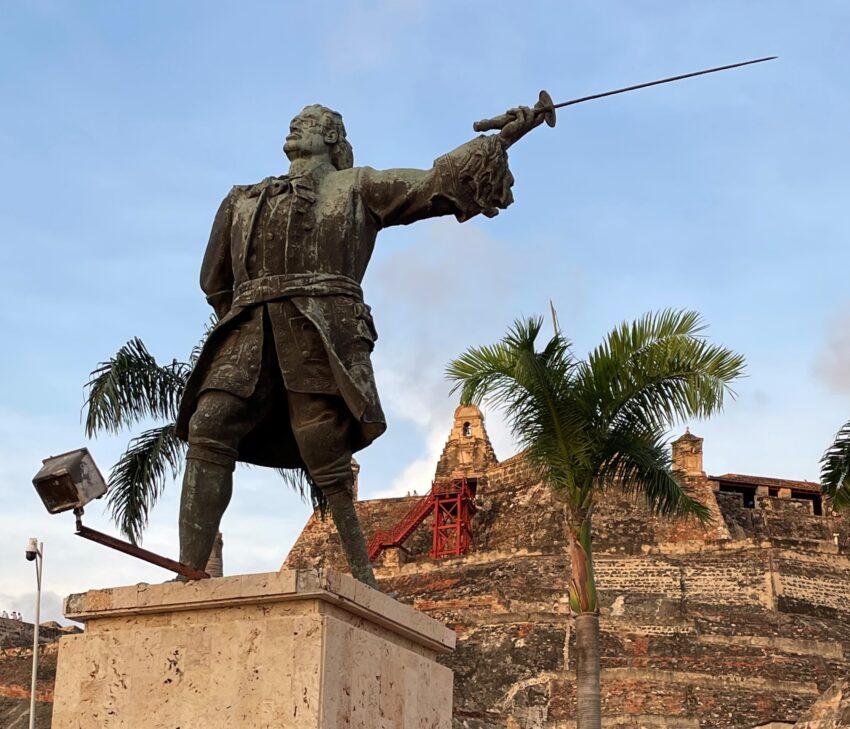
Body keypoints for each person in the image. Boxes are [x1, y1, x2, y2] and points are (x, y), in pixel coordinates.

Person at [176, 103, 542, 587]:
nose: (295, 125)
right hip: (248, 331)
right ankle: (189, 571)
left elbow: (433, 182)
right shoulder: (241, 199)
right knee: (210, 424)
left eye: (309, 123)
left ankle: (363, 577)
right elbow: (214, 282)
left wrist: (502, 139)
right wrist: (249, 309)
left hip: (319, 329)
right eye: (296, 121)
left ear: (332, 141)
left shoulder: (359, 187)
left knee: (323, 443)